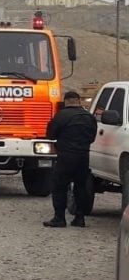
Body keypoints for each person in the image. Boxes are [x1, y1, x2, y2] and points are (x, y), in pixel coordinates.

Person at [43, 91, 98, 228]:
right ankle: (80, 218)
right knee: (81, 187)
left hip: (66, 157)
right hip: (83, 157)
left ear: (66, 101)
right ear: (78, 101)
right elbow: (92, 138)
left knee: (59, 186)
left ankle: (59, 218)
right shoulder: (89, 117)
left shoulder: (61, 116)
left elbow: (50, 135)